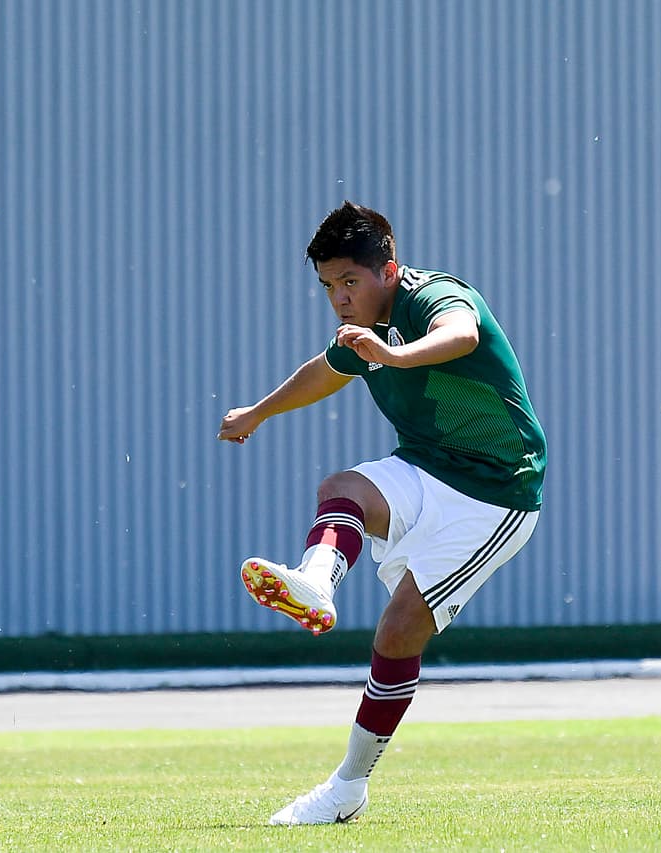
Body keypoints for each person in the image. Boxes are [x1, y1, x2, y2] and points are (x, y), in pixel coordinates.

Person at [217, 200, 546, 825]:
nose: (339, 297)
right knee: (341, 486)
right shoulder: (361, 332)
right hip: (427, 466)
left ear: (388, 270)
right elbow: (326, 371)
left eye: (350, 281)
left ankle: (347, 788)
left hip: (497, 492)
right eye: (327, 285)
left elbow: (463, 335)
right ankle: (316, 581)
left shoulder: (435, 297)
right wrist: (259, 412)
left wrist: (390, 356)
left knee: (397, 633)